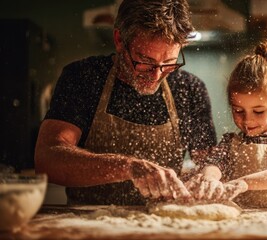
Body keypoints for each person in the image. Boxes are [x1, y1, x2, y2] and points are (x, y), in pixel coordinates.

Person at [34, 0, 217, 205]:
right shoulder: (83, 78)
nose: (156, 75)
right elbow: (48, 158)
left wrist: (209, 177)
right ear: (119, 39)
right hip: (91, 223)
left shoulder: (189, 89)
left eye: (168, 63)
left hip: (166, 224)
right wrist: (127, 167)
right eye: (145, 61)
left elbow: (209, 162)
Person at [186, 39, 267, 208]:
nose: (247, 120)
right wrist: (209, 179)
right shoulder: (230, 143)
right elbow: (213, 164)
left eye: (258, 111)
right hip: (241, 226)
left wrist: (245, 182)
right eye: (238, 111)